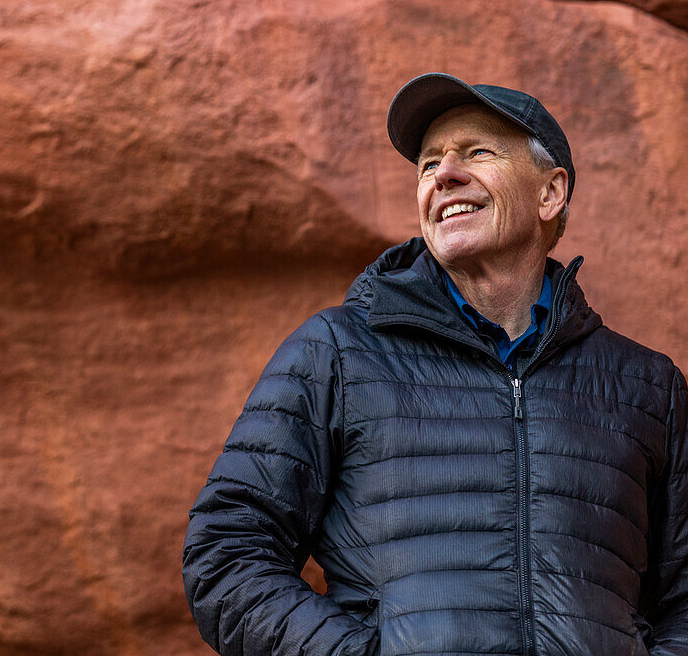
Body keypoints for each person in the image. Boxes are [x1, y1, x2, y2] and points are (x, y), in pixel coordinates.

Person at [182, 72, 688, 655]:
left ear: (551, 194)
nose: (444, 174)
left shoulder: (648, 386)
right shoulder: (338, 351)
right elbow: (227, 551)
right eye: (428, 164)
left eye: (477, 152)